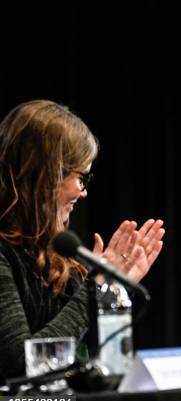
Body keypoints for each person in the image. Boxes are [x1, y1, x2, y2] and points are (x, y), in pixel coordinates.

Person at [0, 99, 165, 382]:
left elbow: (88, 362)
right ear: (47, 175)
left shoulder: (57, 253)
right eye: (82, 178)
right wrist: (94, 288)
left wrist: (114, 290)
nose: (84, 192)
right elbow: (23, 365)